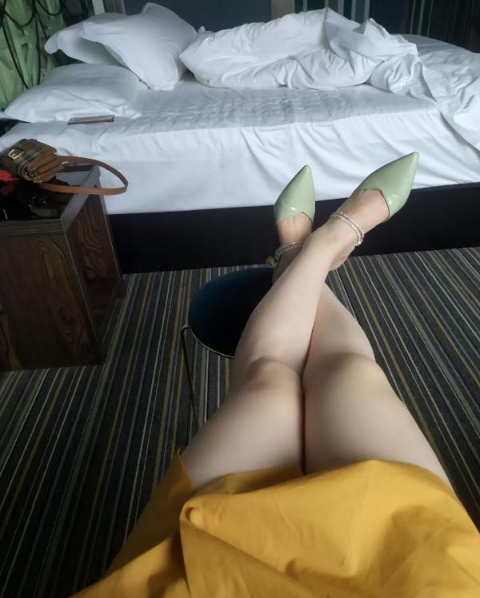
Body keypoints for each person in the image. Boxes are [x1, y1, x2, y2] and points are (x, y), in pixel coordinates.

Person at [72, 154, 480, 598]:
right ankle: (318, 247)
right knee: (351, 369)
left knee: (270, 381)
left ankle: (303, 252)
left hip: (217, 560)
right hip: (411, 566)